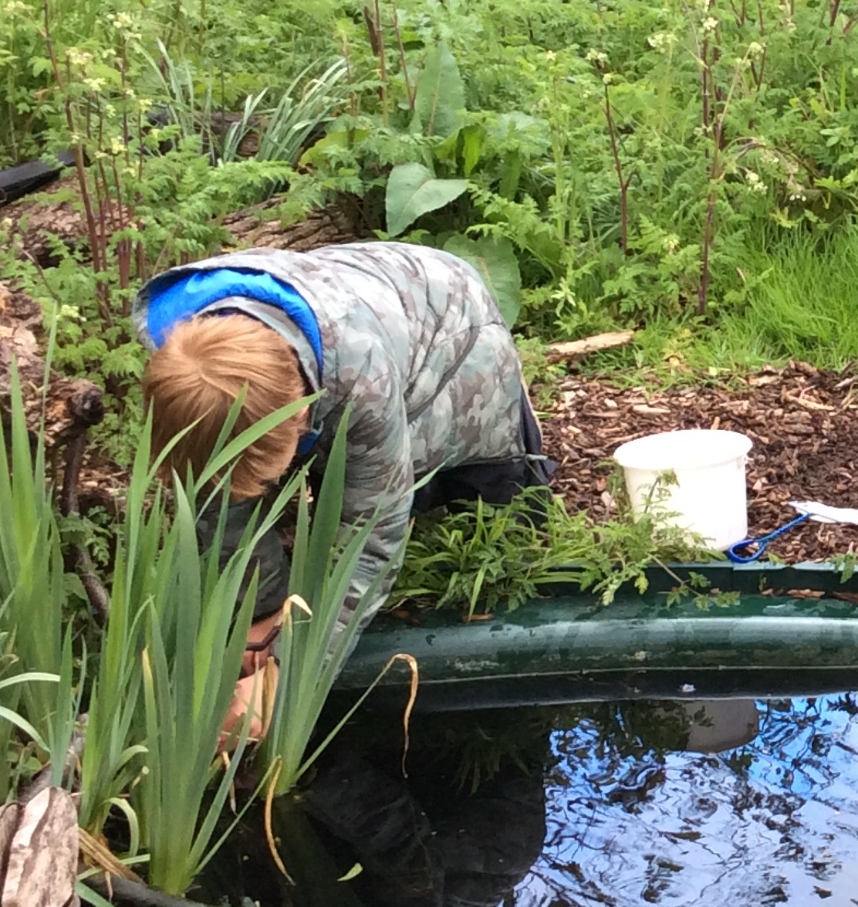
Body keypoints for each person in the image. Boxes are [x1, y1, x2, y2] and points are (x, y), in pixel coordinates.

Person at [135, 242, 554, 728]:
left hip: (451, 321)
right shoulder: (188, 364)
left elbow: (373, 539)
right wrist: (264, 612)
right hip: (357, 300)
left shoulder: (362, 382)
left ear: (304, 412)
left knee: (490, 490)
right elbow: (213, 494)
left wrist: (285, 677)